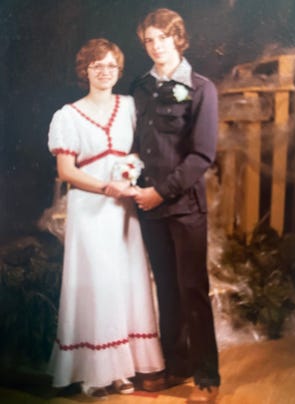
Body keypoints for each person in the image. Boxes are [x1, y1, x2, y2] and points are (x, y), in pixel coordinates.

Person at [47, 38, 164, 397]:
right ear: (85, 70)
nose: (104, 72)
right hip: (91, 209)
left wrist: (130, 173)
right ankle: (94, 371)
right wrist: (105, 187)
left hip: (123, 211)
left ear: (119, 70)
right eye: (96, 65)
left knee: (124, 281)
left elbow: (139, 152)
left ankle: (122, 370)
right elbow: (66, 171)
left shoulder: (129, 106)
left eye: (111, 65)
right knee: (97, 285)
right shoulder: (67, 115)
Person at [131, 8, 221, 403]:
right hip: (149, 208)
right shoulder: (141, 86)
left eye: (162, 39)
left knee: (192, 290)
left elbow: (202, 155)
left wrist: (160, 192)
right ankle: (177, 366)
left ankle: (206, 377)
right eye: (149, 41)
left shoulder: (202, 88)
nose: (155, 47)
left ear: (177, 39)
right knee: (165, 289)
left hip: (184, 207)